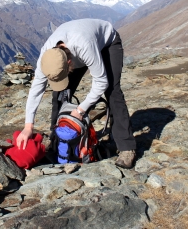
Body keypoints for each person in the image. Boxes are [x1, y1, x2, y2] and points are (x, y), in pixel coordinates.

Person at [16, 18, 137, 169]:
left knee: (112, 91)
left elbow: (101, 82)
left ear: (68, 64)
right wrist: (28, 127)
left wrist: (81, 110)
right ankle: (58, 140)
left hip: (107, 43)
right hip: (75, 50)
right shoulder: (47, 57)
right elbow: (35, 90)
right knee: (59, 94)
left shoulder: (84, 46)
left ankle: (126, 147)